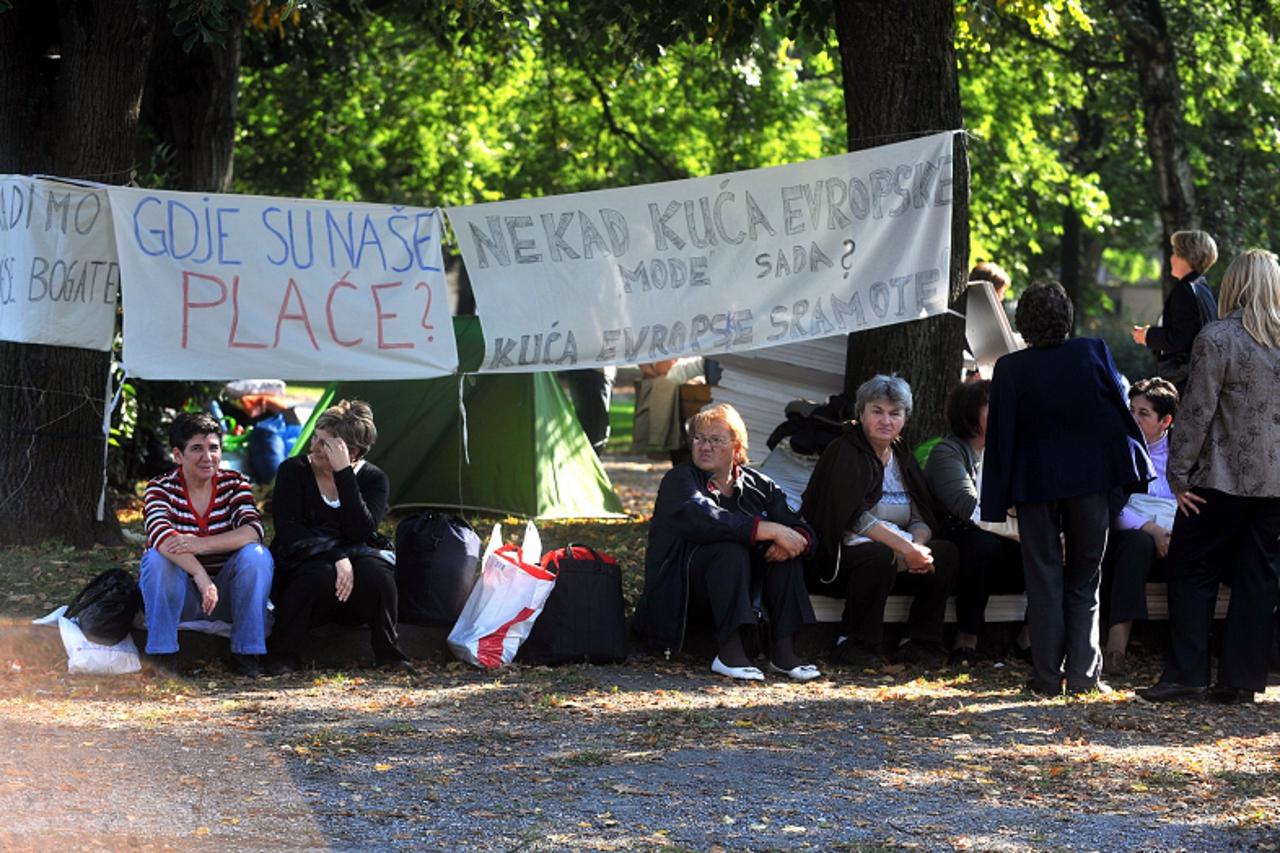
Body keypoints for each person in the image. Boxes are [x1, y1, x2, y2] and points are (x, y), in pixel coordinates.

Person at [981, 282, 1152, 697]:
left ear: (1024, 322)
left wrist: (998, 499)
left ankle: (1044, 677)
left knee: (1042, 580)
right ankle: (1082, 675)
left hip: (1034, 484)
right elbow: (1116, 412)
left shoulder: (1010, 368)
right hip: (1089, 482)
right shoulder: (1091, 351)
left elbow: (1000, 437)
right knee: (1085, 579)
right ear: (1067, 317)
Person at [1139, 249, 1280, 704]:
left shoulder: (1217, 338)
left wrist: (1178, 475)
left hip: (1219, 477)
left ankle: (1187, 674)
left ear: (1234, 284)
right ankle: (1241, 679)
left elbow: (1196, 412)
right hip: (1275, 482)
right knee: (1258, 578)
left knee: (1191, 569)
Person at [632, 403, 821, 681]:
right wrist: (764, 528)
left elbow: (800, 528)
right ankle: (729, 653)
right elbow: (703, 517)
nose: (705, 446)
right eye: (699, 438)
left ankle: (783, 652)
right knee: (728, 550)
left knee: (783, 551)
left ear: (737, 446)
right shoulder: (679, 480)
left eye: (715, 440)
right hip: (684, 599)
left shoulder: (761, 485)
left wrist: (795, 538)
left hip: (741, 595)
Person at [801, 375, 959, 668]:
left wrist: (917, 548)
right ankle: (857, 642)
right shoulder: (844, 451)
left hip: (899, 548)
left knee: (945, 552)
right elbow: (853, 519)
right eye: (877, 411)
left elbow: (918, 515)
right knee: (879, 555)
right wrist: (904, 547)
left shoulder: (901, 455)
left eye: (894, 413)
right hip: (841, 555)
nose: (886, 420)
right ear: (861, 414)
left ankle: (920, 642)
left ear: (905, 418)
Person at [266, 400, 413, 675]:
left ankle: (389, 655)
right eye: (316, 439)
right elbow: (289, 530)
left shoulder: (373, 479)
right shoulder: (293, 471)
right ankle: (282, 654)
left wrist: (344, 474)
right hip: (303, 556)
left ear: (352, 451)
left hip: (357, 556)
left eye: (325, 444)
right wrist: (337, 556)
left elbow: (361, 531)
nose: (314, 448)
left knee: (378, 576)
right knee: (318, 575)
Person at [140, 412, 274, 677]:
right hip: (184, 595)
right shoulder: (160, 488)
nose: (207, 457)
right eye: (197, 449)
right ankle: (162, 656)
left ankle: (248, 653)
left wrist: (200, 544)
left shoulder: (235, 483)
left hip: (226, 593)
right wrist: (200, 575)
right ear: (178, 455)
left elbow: (253, 530)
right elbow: (162, 536)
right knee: (157, 559)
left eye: (213, 448)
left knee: (257, 556)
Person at [923, 380, 1024, 664]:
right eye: (994, 406)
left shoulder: (1005, 453)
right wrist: (1023, 532)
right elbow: (968, 507)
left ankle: (1030, 638)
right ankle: (966, 638)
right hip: (962, 537)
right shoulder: (947, 452)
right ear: (970, 413)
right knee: (983, 546)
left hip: (1005, 537)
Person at [1101, 377, 1180, 676]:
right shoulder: (1120, 451)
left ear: (1166, 421)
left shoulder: (1183, 454)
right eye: (1131, 410)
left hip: (1176, 536)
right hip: (1129, 541)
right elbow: (1110, 507)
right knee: (1137, 545)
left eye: (1143, 413)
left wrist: (1171, 533)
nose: (1133, 418)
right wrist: (1150, 528)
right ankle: (1116, 647)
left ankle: (1187, 653)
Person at [1131, 230, 1218, 394]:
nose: (1171, 258)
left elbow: (1180, 339)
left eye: (1175, 253)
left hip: (1185, 383)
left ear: (1187, 257)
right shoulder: (1202, 287)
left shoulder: (1184, 290)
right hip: (1200, 377)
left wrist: (1147, 336)